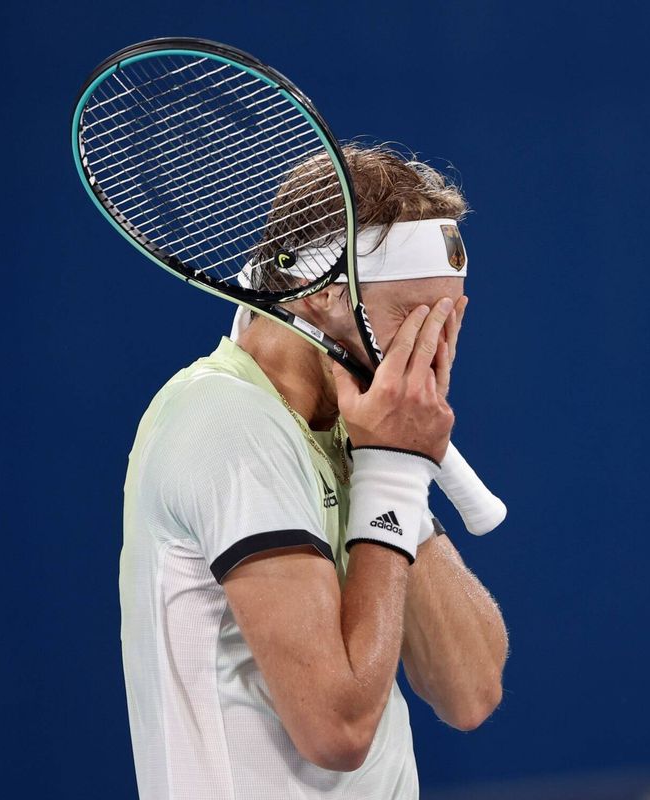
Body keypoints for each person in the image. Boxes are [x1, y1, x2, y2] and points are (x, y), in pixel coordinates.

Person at [120, 144, 509, 799]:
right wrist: (391, 470)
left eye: (451, 320)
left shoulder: (365, 429)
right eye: (417, 318)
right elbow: (337, 730)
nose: (437, 351)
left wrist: (394, 468)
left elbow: (469, 692)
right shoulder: (226, 421)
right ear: (323, 294)